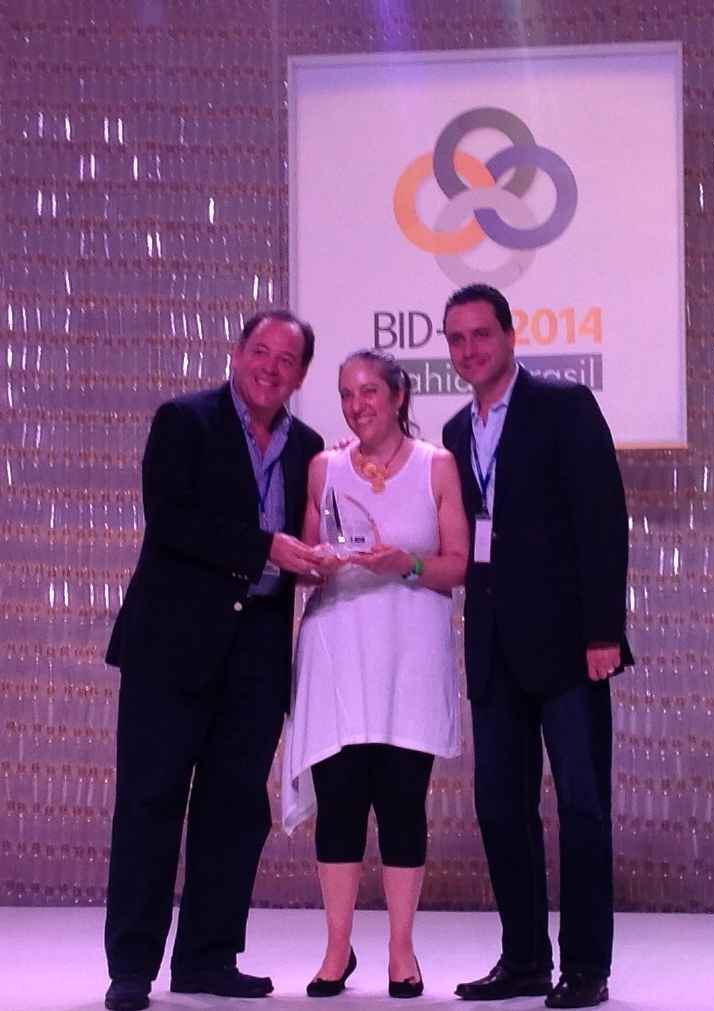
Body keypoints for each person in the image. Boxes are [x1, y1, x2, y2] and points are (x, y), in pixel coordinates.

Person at [103, 310, 326, 1011]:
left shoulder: (308, 447)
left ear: (301, 374)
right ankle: (131, 967)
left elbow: (310, 538)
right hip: (170, 647)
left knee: (234, 810)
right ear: (235, 353)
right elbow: (172, 520)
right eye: (259, 351)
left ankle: (207, 957)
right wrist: (264, 547)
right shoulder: (184, 420)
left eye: (285, 359)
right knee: (150, 802)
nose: (269, 367)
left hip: (256, 648)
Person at [441, 284, 633, 1010]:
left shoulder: (563, 406)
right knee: (499, 806)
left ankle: (585, 967)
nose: (469, 350)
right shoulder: (455, 431)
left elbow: (602, 521)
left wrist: (603, 632)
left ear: (510, 336)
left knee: (582, 805)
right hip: (493, 647)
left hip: (569, 645)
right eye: (456, 339)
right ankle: (523, 959)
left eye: (480, 335)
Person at [280, 348, 468, 999]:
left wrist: (405, 564)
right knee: (339, 805)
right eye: (345, 394)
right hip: (338, 654)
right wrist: (316, 563)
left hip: (408, 657)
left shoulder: (436, 465)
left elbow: (457, 564)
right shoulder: (323, 466)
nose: (356, 406)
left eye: (368, 392)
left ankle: (400, 948)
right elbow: (305, 564)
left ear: (397, 396)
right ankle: (337, 948)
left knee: (401, 805)